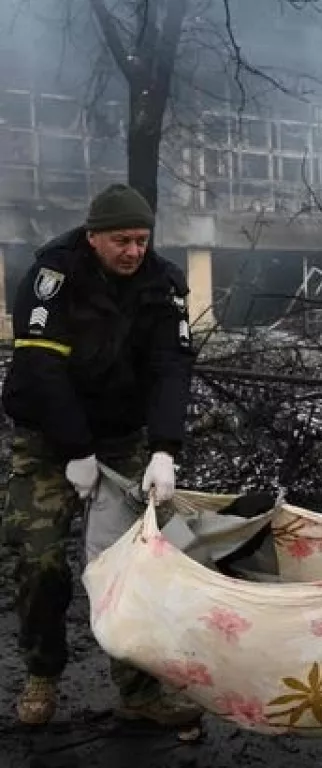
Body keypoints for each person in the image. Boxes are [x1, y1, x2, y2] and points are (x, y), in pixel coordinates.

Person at [2, 183, 201, 728]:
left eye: (141, 239)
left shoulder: (163, 282)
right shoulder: (54, 277)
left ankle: (139, 691)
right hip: (49, 440)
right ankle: (43, 673)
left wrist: (164, 448)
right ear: (93, 237)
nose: (134, 251)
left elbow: (171, 367)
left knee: (136, 565)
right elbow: (42, 370)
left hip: (121, 439)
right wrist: (75, 452)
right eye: (121, 240)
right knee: (40, 562)